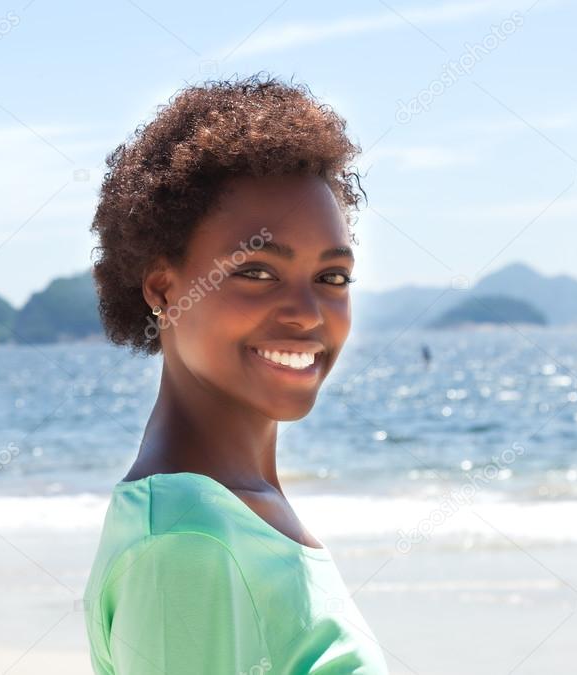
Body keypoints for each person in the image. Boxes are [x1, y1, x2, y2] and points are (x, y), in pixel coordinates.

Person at [82, 73, 390, 674]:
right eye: (256, 271)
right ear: (164, 289)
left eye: (332, 278)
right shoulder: (188, 545)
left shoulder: (234, 510)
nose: (306, 313)